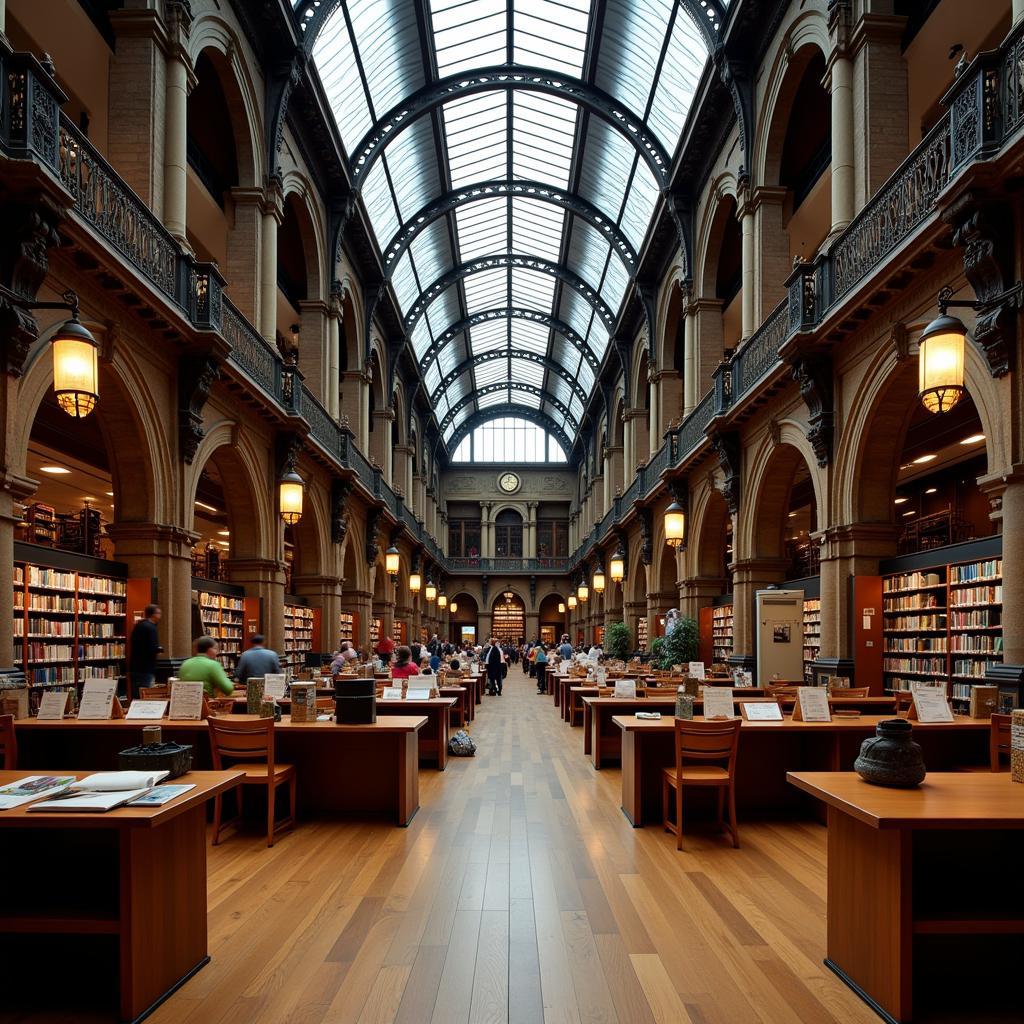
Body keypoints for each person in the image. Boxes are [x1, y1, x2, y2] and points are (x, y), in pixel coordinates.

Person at [128, 604, 162, 692]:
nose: (160, 616)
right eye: (158, 614)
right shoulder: (151, 628)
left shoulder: (139, 625)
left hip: (134, 666)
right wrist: (159, 649)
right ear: (153, 614)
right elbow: (152, 647)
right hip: (146, 668)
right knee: (145, 693)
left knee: (135, 694)